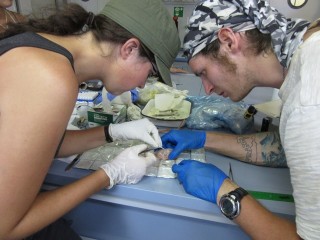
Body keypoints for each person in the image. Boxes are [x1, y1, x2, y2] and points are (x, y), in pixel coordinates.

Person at [0, 0, 180, 238]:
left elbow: (37, 145)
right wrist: (110, 174)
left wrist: (112, 133)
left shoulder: (47, 49)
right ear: (129, 49)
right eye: (149, 74)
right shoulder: (51, 78)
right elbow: (6, 228)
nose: (141, 84)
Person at [161, 0, 320, 239]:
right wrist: (203, 139)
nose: (206, 89)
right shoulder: (308, 55)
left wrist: (225, 191)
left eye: (203, 72)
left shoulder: (307, 102)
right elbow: (283, 147)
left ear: (228, 40)